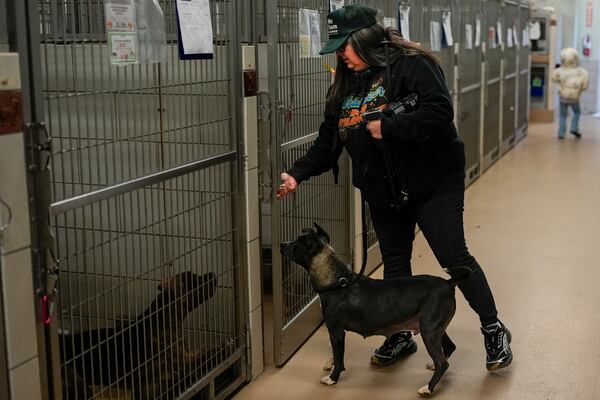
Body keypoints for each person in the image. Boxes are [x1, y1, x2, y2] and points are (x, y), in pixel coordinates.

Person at [276, 4, 513, 371]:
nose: (340, 54)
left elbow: (439, 111)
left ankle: (493, 328)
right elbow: (328, 144)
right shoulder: (344, 85)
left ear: (364, 39)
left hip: (433, 182)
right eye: (337, 47)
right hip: (382, 188)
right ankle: (399, 334)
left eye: (344, 46)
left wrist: (389, 128)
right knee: (396, 261)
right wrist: (297, 174)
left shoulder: (411, 64)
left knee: (453, 257)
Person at [551, 47, 589, 139]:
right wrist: (579, 89)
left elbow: (554, 79)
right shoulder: (582, 72)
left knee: (562, 115)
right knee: (577, 112)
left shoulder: (559, 71)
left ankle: (561, 133)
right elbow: (585, 86)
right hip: (575, 97)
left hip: (563, 96)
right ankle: (574, 128)